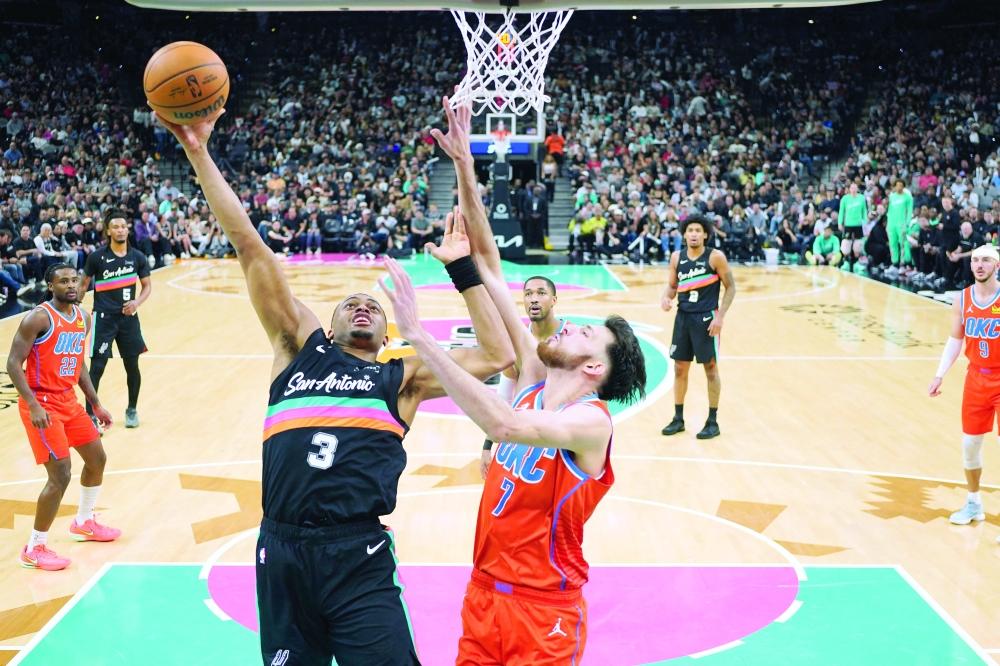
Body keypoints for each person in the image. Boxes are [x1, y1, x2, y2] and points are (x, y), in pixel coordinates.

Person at [155, 107, 514, 666]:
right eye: (350, 303)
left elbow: (497, 354)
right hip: (282, 549)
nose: (362, 305)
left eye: (373, 304)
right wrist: (198, 152)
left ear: (387, 333)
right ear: (327, 323)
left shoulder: (402, 376)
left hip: (357, 554)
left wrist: (462, 269)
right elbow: (250, 246)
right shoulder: (297, 348)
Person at [419, 95, 647, 665]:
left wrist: (424, 343)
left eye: (583, 333)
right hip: (482, 595)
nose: (567, 328)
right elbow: (491, 267)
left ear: (593, 368)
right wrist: (465, 167)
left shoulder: (591, 423)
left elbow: (503, 424)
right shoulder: (532, 378)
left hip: (544, 611)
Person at [6, 263, 118, 571]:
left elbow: (78, 363)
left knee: (97, 459)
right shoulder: (38, 317)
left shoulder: (83, 317)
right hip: (42, 403)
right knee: (60, 475)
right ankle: (34, 548)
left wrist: (95, 403)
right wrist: (33, 405)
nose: (71, 285)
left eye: (75, 280)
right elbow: (13, 363)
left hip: (69, 400)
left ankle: (84, 522)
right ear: (51, 286)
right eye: (64, 281)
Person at [928, 245, 1000, 529]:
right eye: (975, 260)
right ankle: (974, 503)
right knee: (970, 445)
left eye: (986, 260)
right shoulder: (962, 298)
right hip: (976, 377)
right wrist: (940, 374)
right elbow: (955, 339)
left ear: (997, 265)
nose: (979, 265)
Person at [481, 275, 566, 478]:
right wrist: (487, 446)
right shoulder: (516, 342)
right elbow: (504, 397)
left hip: (562, 437)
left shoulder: (572, 338)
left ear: (554, 300)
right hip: (525, 437)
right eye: (528, 294)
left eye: (541, 293)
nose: (534, 299)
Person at [660, 215, 737, 439]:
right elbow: (672, 286)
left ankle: (713, 421)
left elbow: (731, 287)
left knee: (710, 368)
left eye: (698, 230)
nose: (693, 234)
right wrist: (666, 297)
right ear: (684, 234)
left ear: (705, 234)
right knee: (679, 368)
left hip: (706, 319)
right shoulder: (676, 257)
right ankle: (678, 419)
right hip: (683, 318)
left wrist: (720, 317)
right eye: (690, 230)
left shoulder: (715, 257)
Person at [80, 209, 152, 430]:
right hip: (103, 320)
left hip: (129, 320)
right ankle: (90, 415)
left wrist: (137, 302)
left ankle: (131, 409)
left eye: (123, 226)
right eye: (116, 227)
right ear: (108, 231)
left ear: (127, 230)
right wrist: (73, 310)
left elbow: (147, 286)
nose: (120, 230)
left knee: (132, 366)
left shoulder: (137, 257)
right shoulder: (97, 257)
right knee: (97, 368)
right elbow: (83, 284)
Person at [885, 178, 914, 279]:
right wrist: (888, 223)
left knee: (903, 244)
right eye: (897, 185)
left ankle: (903, 264)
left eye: (901, 185)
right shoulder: (892, 197)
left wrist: (907, 223)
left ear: (903, 187)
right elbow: (890, 211)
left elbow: (909, 211)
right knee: (892, 244)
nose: (899, 187)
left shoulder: (908, 197)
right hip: (892, 224)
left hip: (902, 224)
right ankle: (894, 263)